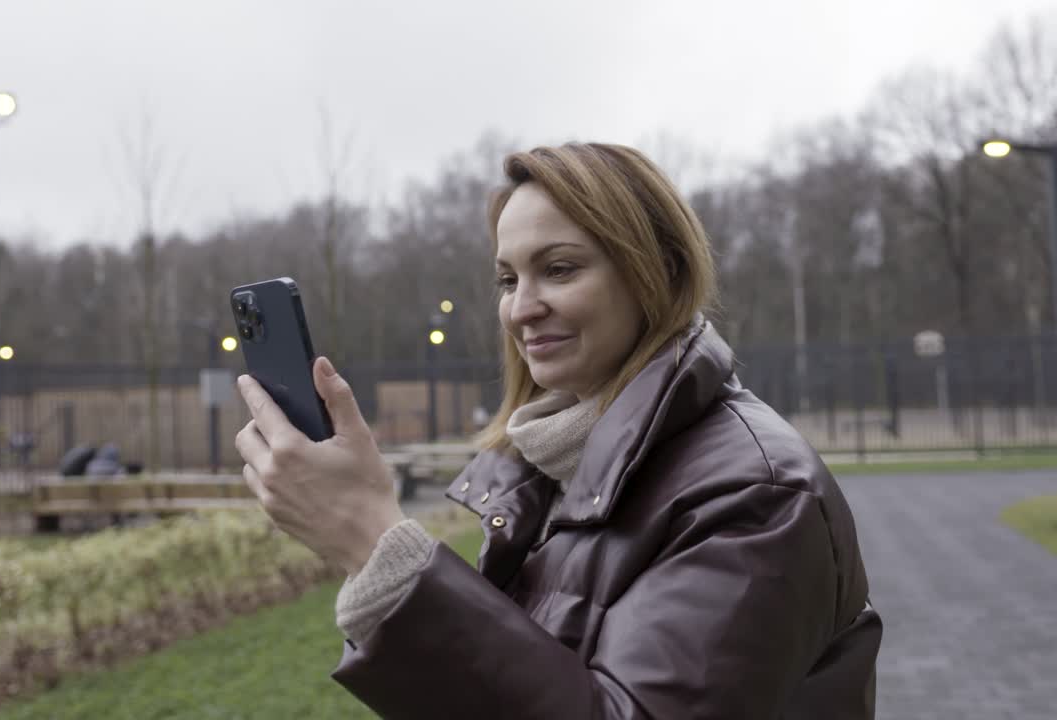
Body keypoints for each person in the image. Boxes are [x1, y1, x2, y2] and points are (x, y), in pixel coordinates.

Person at [234, 142, 882, 719]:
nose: (522, 307)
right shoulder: (550, 467)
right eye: (508, 279)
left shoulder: (756, 491)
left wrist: (374, 545)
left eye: (561, 268)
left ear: (661, 272)